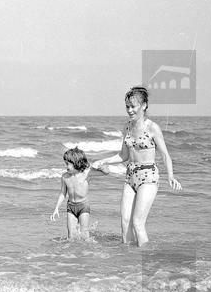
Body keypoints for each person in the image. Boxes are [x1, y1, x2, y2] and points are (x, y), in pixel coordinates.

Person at [92, 86, 182, 247]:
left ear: (144, 105)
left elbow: (165, 155)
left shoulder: (152, 128)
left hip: (148, 177)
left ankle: (145, 258)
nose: (130, 110)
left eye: (133, 106)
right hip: (130, 177)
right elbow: (123, 155)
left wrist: (171, 176)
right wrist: (104, 161)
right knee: (125, 221)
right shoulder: (127, 127)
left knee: (138, 223)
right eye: (127, 106)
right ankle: (129, 259)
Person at [50, 147, 109, 240]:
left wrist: (100, 166)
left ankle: (87, 247)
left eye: (67, 164)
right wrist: (56, 208)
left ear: (76, 163)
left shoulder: (86, 174)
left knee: (84, 232)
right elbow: (63, 193)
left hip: (83, 206)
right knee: (70, 234)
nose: (66, 166)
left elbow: (106, 173)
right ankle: (72, 248)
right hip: (70, 207)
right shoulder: (65, 177)